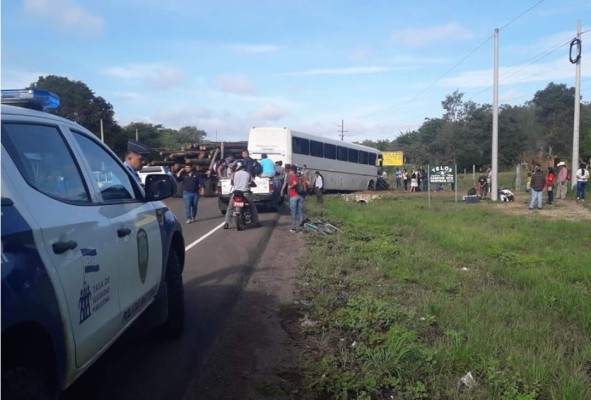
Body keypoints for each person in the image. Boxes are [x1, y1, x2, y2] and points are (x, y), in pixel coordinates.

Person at [223, 160, 261, 229]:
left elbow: (232, 183)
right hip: (245, 193)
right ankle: (256, 221)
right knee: (252, 207)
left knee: (230, 207)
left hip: (236, 193)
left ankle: (226, 223)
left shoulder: (234, 174)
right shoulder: (248, 174)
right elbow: (251, 182)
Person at [288, 164, 305, 233]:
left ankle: (293, 228)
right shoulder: (299, 177)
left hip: (294, 196)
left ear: (292, 171)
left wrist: (290, 186)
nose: (289, 172)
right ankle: (301, 227)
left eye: (289, 170)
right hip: (300, 196)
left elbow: (294, 183)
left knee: (294, 213)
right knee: (300, 212)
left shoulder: (292, 176)